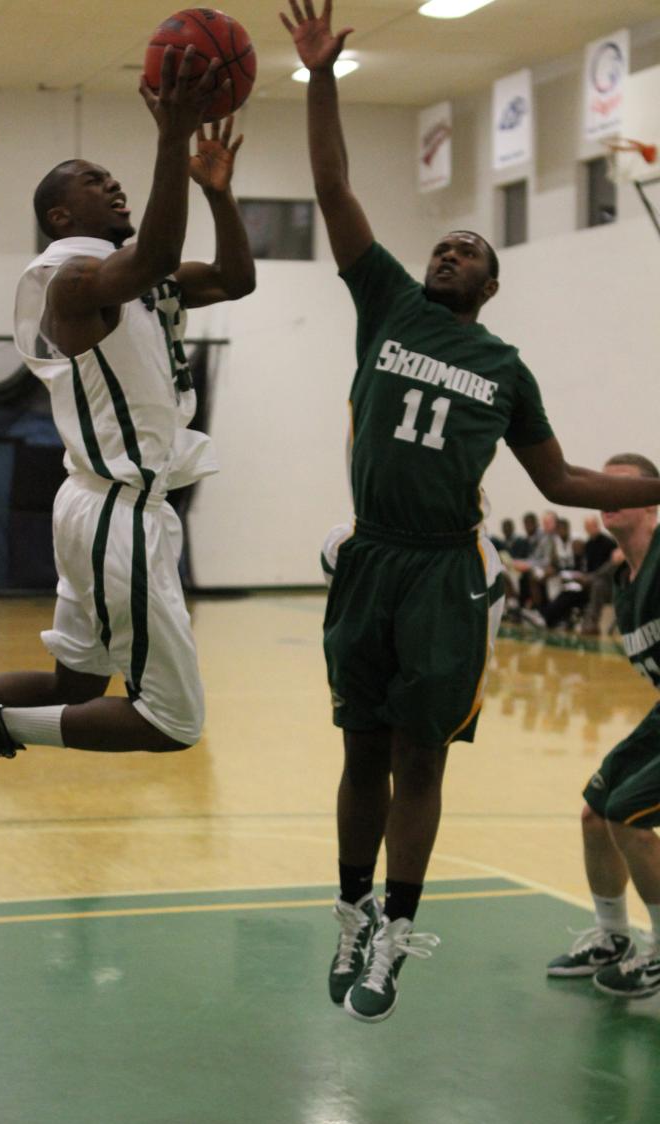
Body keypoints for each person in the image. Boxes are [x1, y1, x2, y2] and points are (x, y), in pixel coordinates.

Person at [281, 0, 660, 1024]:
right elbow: (330, 185)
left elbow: (565, 485)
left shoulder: (501, 368)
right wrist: (319, 76)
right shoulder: (387, 304)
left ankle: (396, 928)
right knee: (360, 746)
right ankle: (350, 905)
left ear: (489, 287)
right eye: (439, 245)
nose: (446, 254)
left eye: (465, 252)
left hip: (444, 571)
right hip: (370, 558)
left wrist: (655, 486)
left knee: (417, 751)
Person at [0, 49, 255, 791]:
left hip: (108, 507)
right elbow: (160, 250)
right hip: (116, 513)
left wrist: (220, 196)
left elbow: (236, 278)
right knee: (173, 721)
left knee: (73, 689)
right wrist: (171, 139)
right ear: (60, 216)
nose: (113, 182)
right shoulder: (71, 280)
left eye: (113, 173)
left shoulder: (135, 271)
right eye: (93, 180)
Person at [547, 454, 660, 996]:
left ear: (651, 501)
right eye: (598, 486)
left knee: (630, 813)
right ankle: (614, 937)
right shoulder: (622, 578)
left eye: (619, 487)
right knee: (597, 813)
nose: (603, 494)